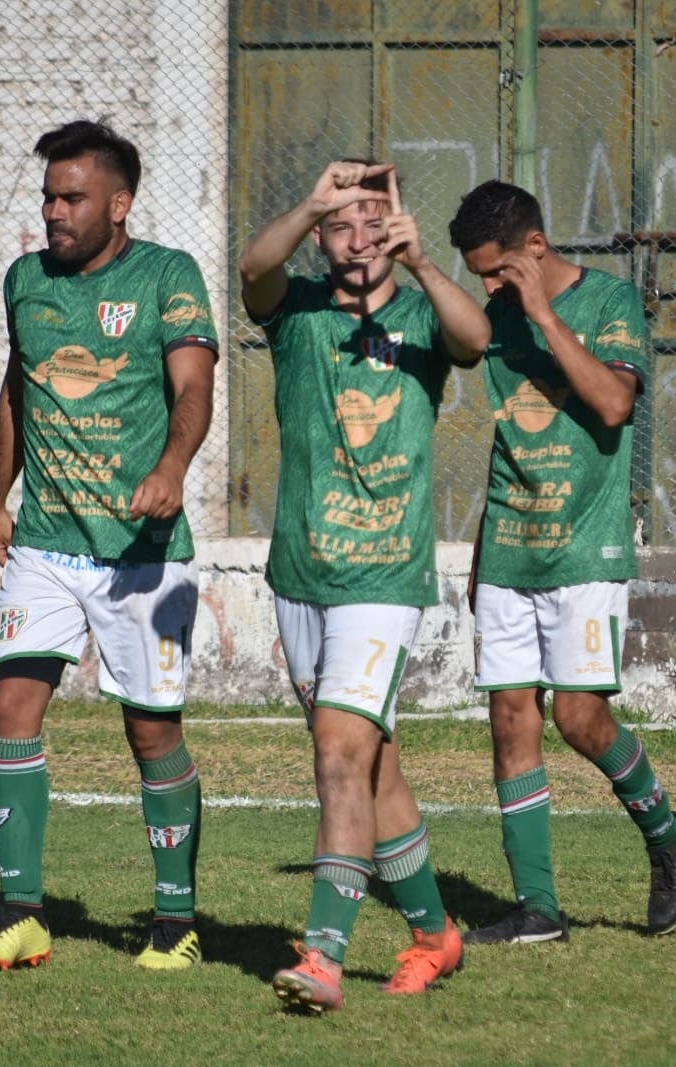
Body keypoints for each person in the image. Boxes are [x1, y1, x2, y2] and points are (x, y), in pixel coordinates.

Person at [0, 118, 218, 972]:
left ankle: (175, 920)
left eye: (72, 198)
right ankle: (20, 912)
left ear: (120, 204)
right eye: (48, 196)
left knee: (151, 733)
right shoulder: (25, 281)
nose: (54, 213)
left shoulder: (168, 276)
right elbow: (17, 387)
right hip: (45, 541)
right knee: (11, 707)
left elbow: (193, 385)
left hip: (143, 553)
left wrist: (174, 464)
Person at [238, 160, 491, 1012]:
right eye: (340, 225)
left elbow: (478, 339)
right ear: (320, 236)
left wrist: (424, 262)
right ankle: (435, 937)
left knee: (338, 756)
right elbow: (251, 271)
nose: (358, 238)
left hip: (383, 577)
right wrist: (310, 197)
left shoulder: (423, 310)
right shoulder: (300, 312)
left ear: (396, 226)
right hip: (300, 576)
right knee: (373, 769)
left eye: (373, 220)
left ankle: (324, 956)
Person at [446, 179, 676, 944]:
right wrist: (483, 546)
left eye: (497, 271)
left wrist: (543, 316)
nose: (489, 288)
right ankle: (538, 907)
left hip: (587, 545)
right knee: (509, 717)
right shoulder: (489, 319)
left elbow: (614, 405)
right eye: (477, 276)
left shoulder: (611, 303)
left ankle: (667, 832)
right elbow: (509, 438)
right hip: (510, 547)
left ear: (535, 246)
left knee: (579, 717)